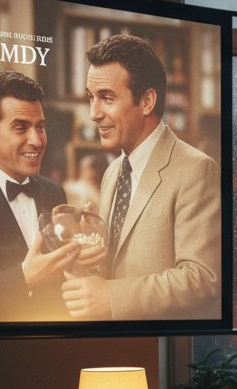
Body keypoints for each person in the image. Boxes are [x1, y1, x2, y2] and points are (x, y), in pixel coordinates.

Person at [61, 34, 220, 320]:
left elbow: (202, 279)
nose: (93, 113)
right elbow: (117, 267)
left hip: (165, 351)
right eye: (91, 98)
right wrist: (88, 254)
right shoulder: (113, 172)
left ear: (147, 101)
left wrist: (110, 296)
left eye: (106, 98)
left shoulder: (197, 169)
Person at [0, 70, 91, 321]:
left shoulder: (53, 191)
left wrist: (81, 260)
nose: (36, 140)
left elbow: (61, 283)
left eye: (40, 127)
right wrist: (24, 277)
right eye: (21, 128)